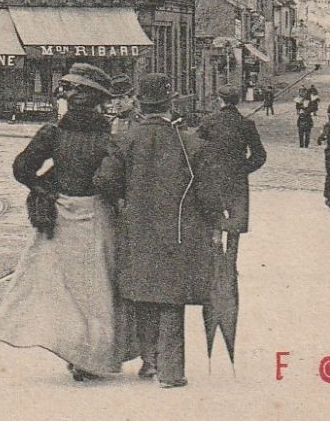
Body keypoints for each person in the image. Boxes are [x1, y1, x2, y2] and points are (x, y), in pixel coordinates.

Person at [0, 63, 130, 381]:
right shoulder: (110, 137)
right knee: (99, 289)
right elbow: (114, 181)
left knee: (60, 289)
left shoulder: (53, 132)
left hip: (61, 217)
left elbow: (22, 168)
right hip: (99, 217)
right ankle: (92, 357)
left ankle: (73, 351)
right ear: (100, 101)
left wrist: (44, 187)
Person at [94, 74, 217, 389]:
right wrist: (214, 223)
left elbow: (106, 181)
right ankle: (171, 371)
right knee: (171, 299)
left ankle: (150, 362)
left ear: (138, 103)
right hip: (178, 230)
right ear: (170, 103)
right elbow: (207, 192)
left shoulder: (124, 139)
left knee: (143, 294)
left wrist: (123, 202)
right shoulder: (189, 142)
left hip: (135, 228)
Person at [196, 86, 267, 265]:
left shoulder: (208, 122)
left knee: (213, 217)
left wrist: (205, 168)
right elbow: (259, 155)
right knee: (235, 223)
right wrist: (243, 168)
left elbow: (195, 150)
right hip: (237, 181)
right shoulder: (246, 124)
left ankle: (215, 260)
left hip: (212, 178)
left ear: (220, 100)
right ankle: (230, 264)